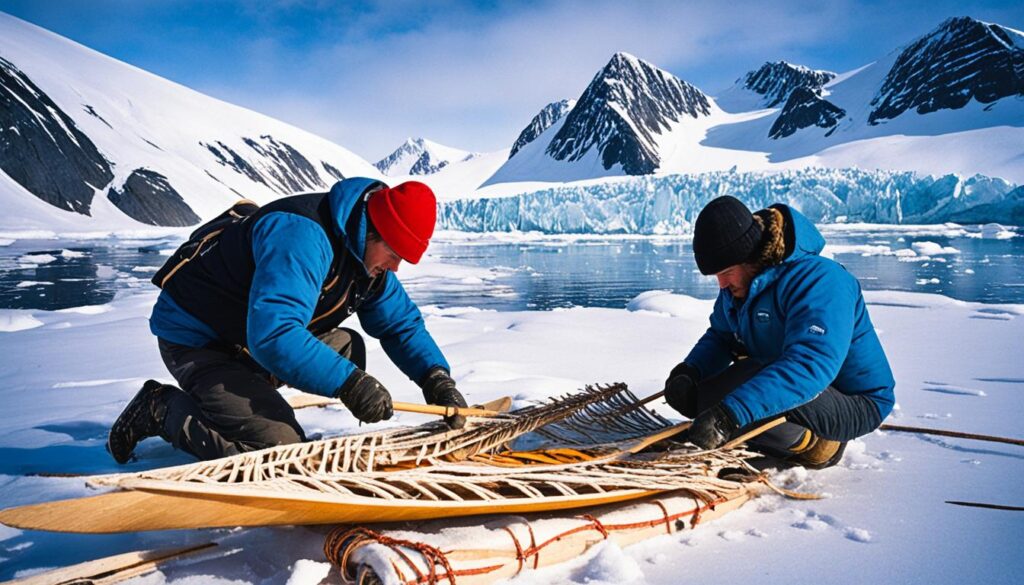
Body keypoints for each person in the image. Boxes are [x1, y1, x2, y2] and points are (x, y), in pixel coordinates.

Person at [107, 177, 467, 463]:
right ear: (372, 231)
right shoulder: (303, 237)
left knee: (347, 348)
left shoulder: (365, 258)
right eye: (393, 253)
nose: (395, 267)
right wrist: (349, 384)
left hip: (246, 342)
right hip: (200, 342)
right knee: (278, 453)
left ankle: (245, 396)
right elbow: (274, 334)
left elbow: (399, 324)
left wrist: (435, 377)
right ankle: (161, 409)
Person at [663, 195, 895, 468]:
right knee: (700, 398)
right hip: (781, 374)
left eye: (726, 272)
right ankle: (762, 434)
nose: (721, 284)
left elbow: (810, 365)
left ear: (751, 256)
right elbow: (721, 337)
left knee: (740, 392)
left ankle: (818, 444)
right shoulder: (738, 287)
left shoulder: (821, 280)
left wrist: (729, 416)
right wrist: (690, 372)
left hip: (853, 400)